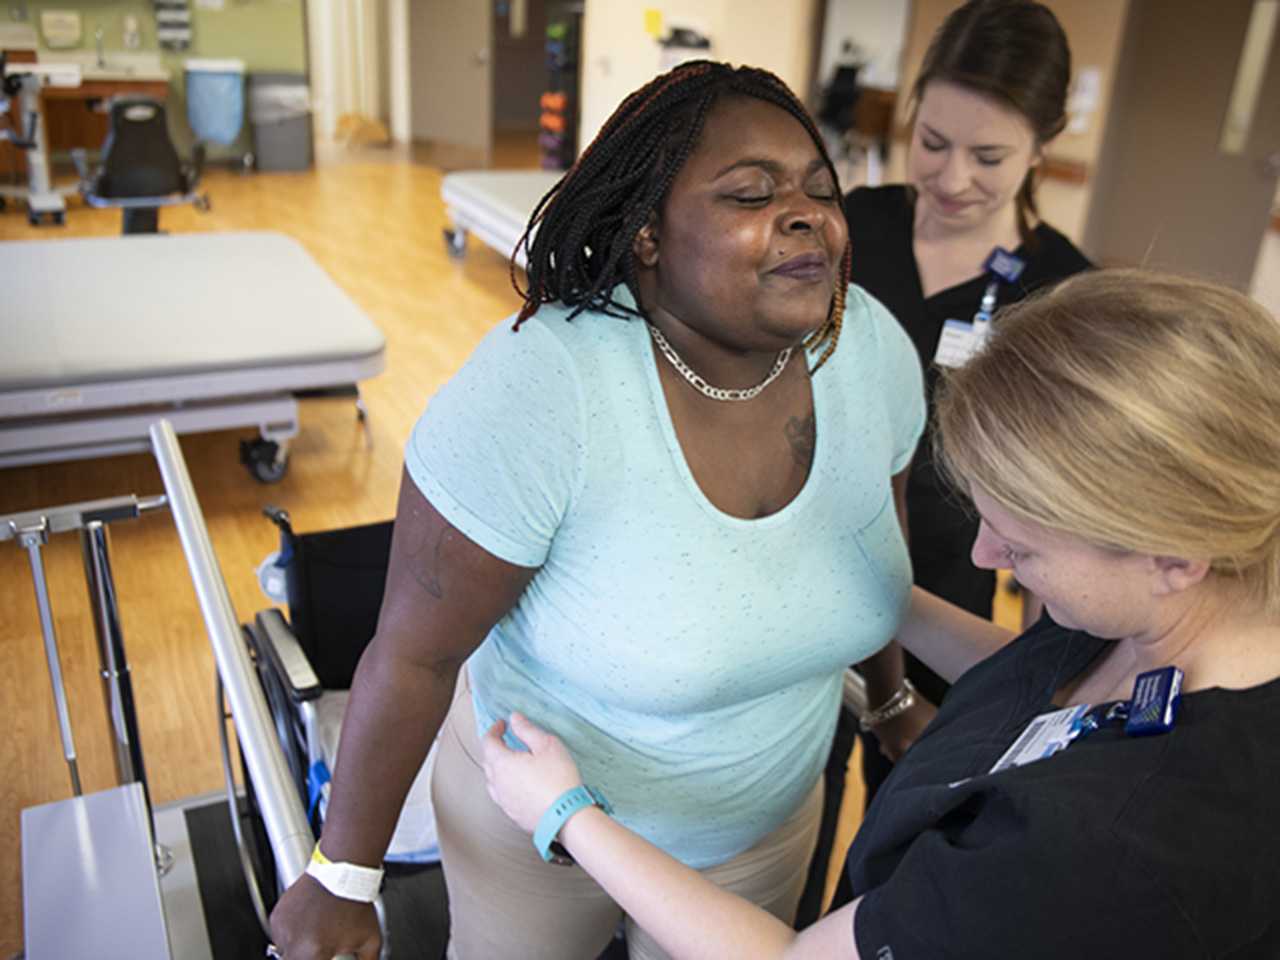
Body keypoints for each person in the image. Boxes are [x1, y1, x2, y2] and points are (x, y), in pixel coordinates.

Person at [268, 60, 927, 960]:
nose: (807, 213)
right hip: (534, 831)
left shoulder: (873, 353)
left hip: (756, 832)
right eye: (749, 195)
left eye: (821, 189)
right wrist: (342, 876)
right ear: (648, 234)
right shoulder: (543, 392)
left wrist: (889, 703)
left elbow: (868, 559)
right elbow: (415, 653)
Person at [483, 268, 1280, 959]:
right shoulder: (1174, 622)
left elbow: (794, 957)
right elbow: (1042, 674)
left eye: (1024, 549)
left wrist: (567, 812)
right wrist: (873, 593)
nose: (984, 561)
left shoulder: (1105, 846)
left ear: (1173, 556)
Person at [806, 5, 1095, 904]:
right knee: (787, 820)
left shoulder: (1060, 291)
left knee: (906, 836)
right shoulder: (847, 226)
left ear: (1043, 146)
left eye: (989, 157)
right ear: (912, 108)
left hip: (951, 582)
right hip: (804, 556)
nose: (953, 178)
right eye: (932, 141)